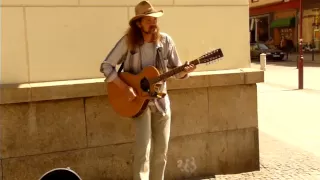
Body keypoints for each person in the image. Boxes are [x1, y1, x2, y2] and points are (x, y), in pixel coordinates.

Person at [99, 1, 196, 180]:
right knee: (143, 151)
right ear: (139, 23)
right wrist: (126, 87)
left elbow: (177, 71)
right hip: (138, 102)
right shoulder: (129, 42)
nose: (153, 23)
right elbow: (106, 66)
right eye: (148, 20)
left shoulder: (165, 41)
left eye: (155, 19)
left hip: (161, 102)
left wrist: (185, 72)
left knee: (161, 152)